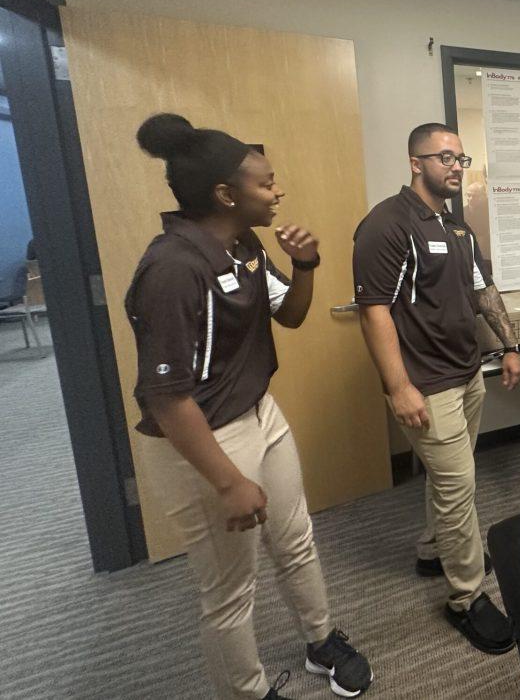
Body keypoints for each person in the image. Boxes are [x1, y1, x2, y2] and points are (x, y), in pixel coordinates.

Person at [126, 114, 372, 700]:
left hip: (259, 414)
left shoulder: (243, 244)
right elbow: (165, 397)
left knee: (296, 539)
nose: (277, 191)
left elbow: (288, 314)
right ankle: (247, 691)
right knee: (231, 590)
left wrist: (307, 267)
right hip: (200, 439)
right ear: (225, 193)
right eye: (267, 183)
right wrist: (229, 481)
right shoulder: (172, 268)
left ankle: (320, 642)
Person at [352, 122, 520, 655]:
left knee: (451, 480)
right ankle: (466, 598)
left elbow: (482, 291)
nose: (455, 165)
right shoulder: (388, 224)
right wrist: (398, 386)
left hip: (466, 374)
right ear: (415, 162)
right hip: (425, 384)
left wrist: (511, 344)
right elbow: (373, 310)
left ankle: (432, 550)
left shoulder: (456, 228)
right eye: (444, 157)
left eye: (460, 158)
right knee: (458, 489)